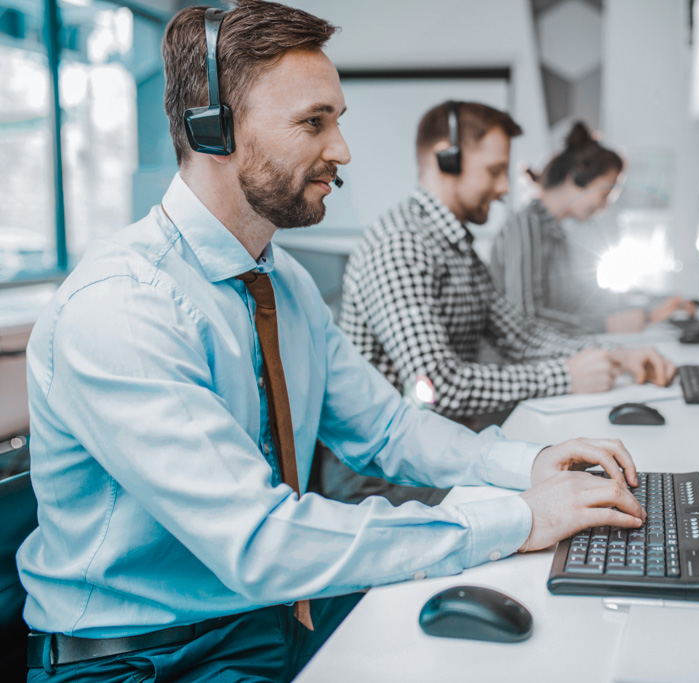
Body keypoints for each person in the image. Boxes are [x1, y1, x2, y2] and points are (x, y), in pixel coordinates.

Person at [17, 2, 647, 680]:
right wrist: (518, 519)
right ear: (214, 130)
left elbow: (388, 428)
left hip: (268, 615)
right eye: (314, 122)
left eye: (337, 120)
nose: (342, 150)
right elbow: (261, 542)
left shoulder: (279, 280)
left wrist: (528, 465)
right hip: (146, 659)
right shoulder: (122, 308)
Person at [339, 103, 677, 427]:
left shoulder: (456, 246)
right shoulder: (401, 244)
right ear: (446, 158)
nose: (504, 188)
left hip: (443, 445)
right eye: (494, 171)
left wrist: (616, 356)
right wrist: (566, 376)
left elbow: (522, 336)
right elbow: (436, 385)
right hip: (387, 475)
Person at [490, 121, 695, 336]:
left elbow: (581, 300)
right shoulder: (527, 227)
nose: (604, 207)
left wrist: (654, 305)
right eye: (604, 195)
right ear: (579, 176)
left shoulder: (553, 232)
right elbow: (526, 321)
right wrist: (608, 325)